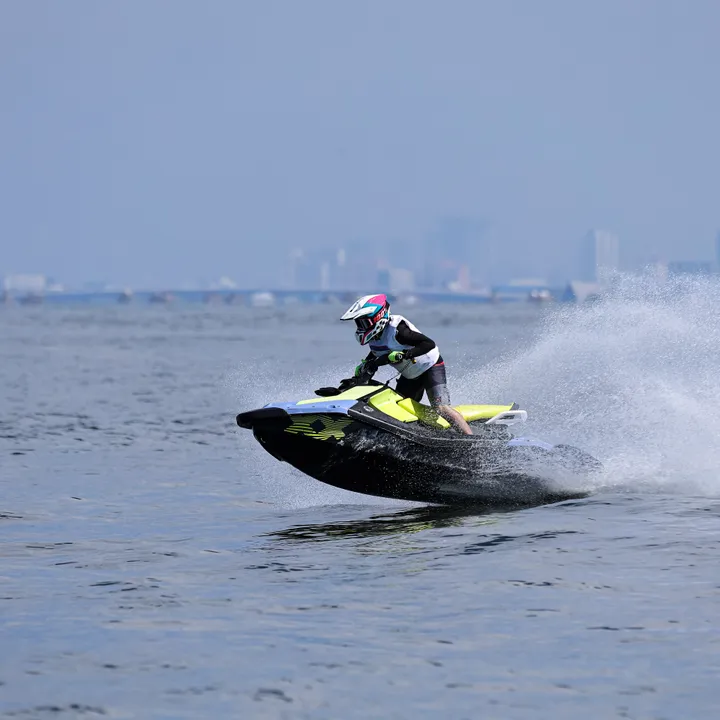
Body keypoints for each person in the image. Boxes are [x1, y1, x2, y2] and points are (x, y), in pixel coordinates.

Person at [340, 294, 473, 435]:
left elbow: (429, 344)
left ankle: (470, 439)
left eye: (363, 323)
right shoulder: (374, 338)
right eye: (358, 324)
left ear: (378, 317)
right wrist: (365, 369)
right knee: (400, 407)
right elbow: (377, 355)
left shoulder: (398, 330)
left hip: (430, 367)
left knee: (441, 408)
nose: (361, 328)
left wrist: (404, 354)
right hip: (410, 376)